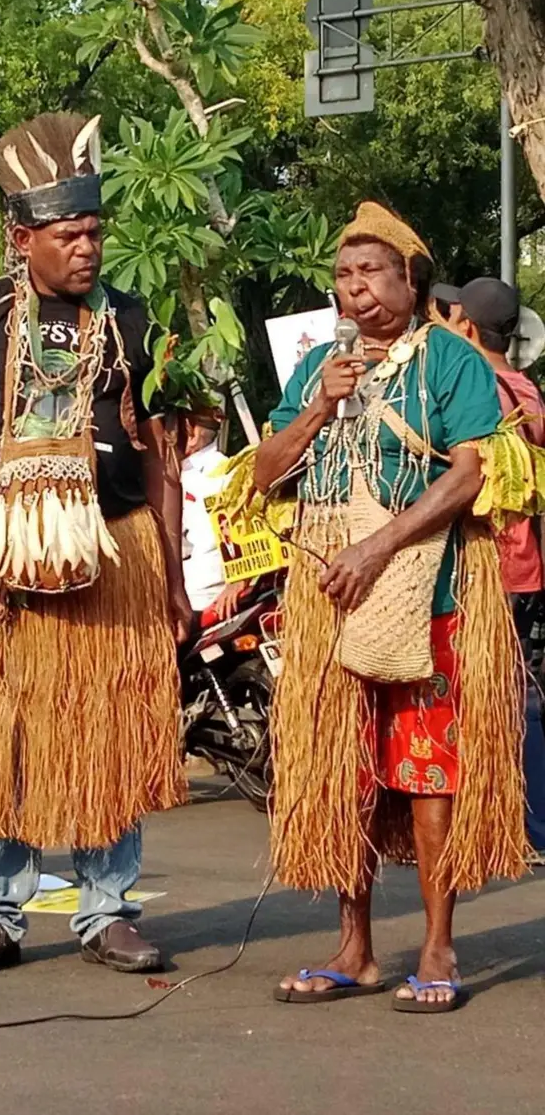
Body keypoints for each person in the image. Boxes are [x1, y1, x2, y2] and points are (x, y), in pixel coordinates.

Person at [0, 111, 191, 975]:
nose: (88, 248)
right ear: (21, 235)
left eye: (96, 231)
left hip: (115, 553)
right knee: (0, 726)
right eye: (69, 234)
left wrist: (174, 578)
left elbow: (162, 456)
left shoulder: (137, 321)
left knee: (108, 721)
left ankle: (109, 909)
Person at [255, 202, 526, 1014]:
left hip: (433, 593)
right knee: (349, 771)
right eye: (343, 274)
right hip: (331, 602)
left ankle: (439, 944)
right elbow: (266, 471)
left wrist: (380, 546)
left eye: (372, 271)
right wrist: (316, 406)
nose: (355, 288)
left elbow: (471, 473)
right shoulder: (319, 367)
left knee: (427, 773)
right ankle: (356, 947)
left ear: (411, 278)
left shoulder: (452, 360)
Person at [434, 276, 545, 851]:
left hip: (491, 567)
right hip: (526, 567)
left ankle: (514, 827)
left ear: (468, 327)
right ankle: (524, 823)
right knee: (513, 692)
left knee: (488, 700)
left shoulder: (483, 389)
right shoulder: (527, 389)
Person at [180, 410, 246, 623]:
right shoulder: (183, 472)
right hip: (192, 594)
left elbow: (240, 526)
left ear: (190, 431)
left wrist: (238, 579)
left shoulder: (219, 473)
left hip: (205, 598)